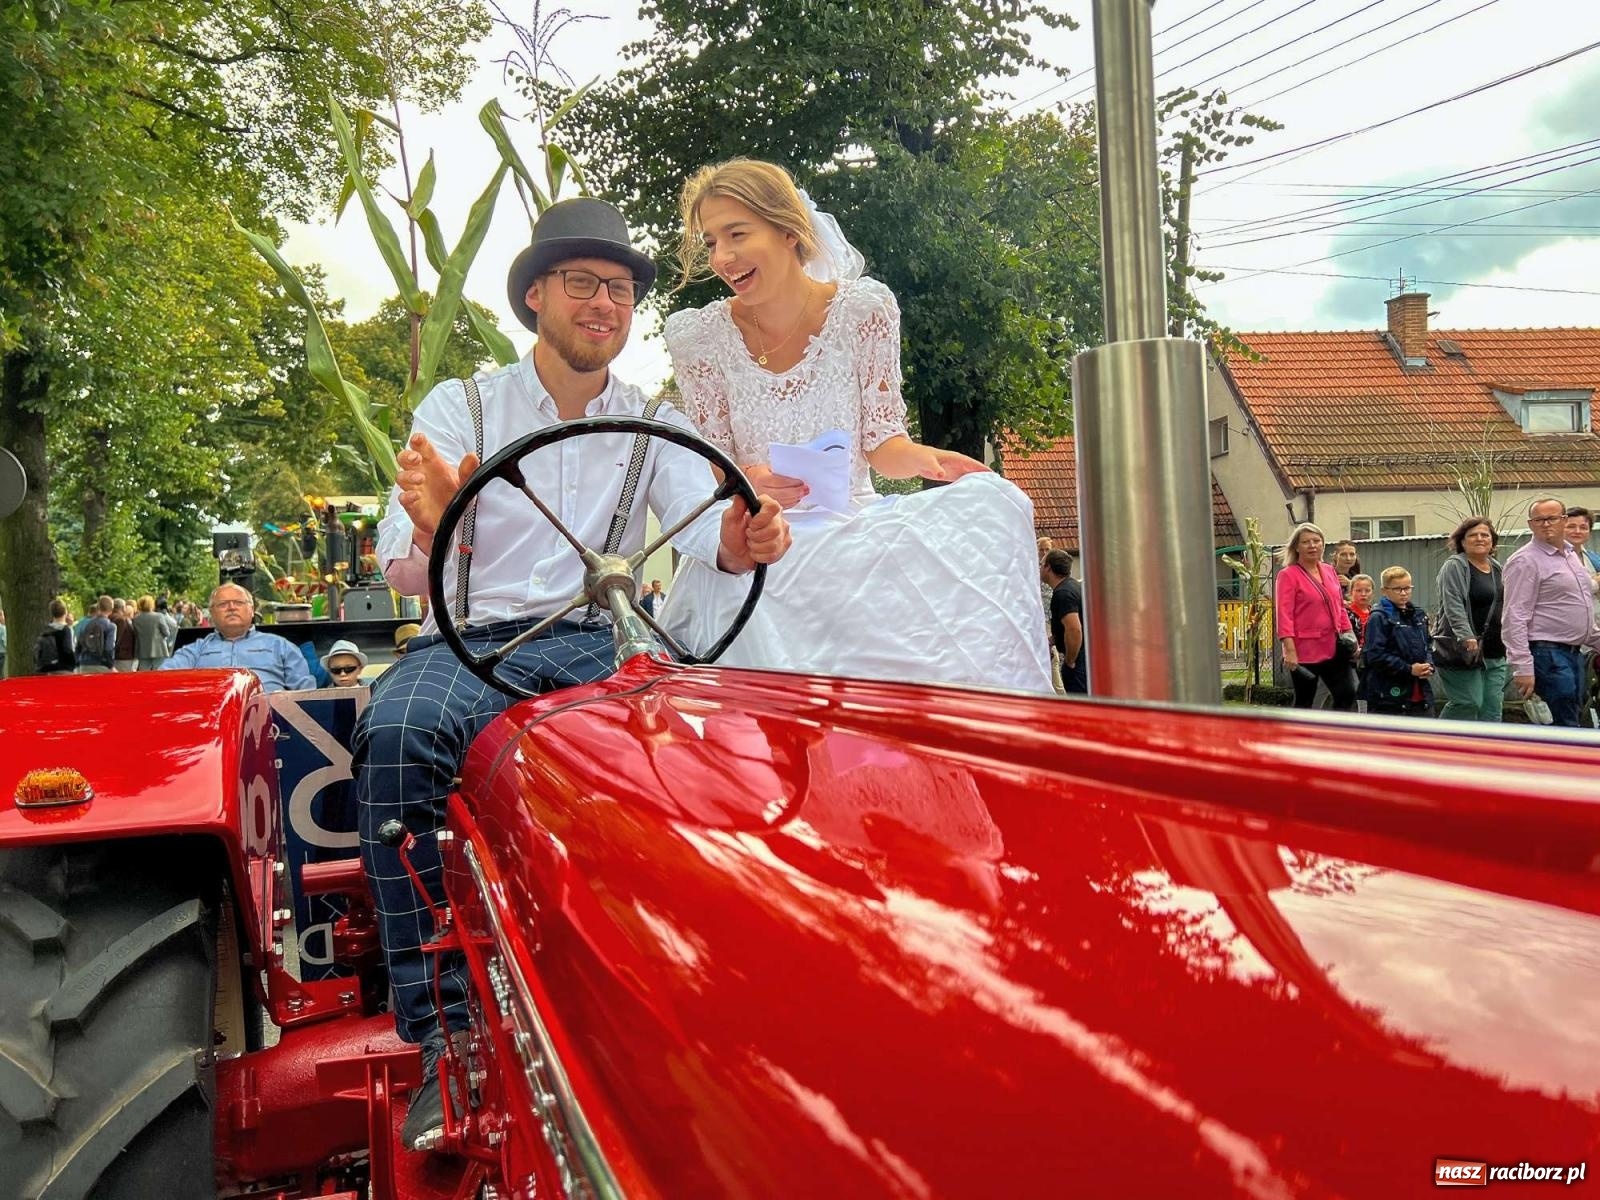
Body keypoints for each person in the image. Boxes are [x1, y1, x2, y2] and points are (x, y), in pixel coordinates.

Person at [353, 197, 791, 1153]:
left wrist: (742, 534)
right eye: (586, 285)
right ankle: (448, 1040)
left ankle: (690, 995)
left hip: (600, 639)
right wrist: (434, 528)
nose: (606, 305)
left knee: (691, 744)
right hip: (468, 643)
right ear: (538, 296)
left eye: (622, 290)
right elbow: (402, 569)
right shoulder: (462, 407)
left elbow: (706, 528)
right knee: (395, 736)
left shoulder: (649, 421)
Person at [656, 158, 1052, 693]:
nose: (722, 257)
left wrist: (930, 460)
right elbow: (715, 462)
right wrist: (749, 476)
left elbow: (884, 445)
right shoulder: (698, 335)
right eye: (710, 242)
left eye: (737, 234)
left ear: (789, 231)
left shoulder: (863, 309)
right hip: (767, 533)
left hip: (851, 524)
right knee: (768, 586)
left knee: (993, 504)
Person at [1503, 496, 1600, 727]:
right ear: (1530, 524)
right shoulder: (1525, 561)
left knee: (1574, 717)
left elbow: (1581, 606)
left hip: (1574, 652)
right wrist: (1522, 666)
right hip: (1547, 653)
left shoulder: (1571, 557)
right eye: (1540, 520)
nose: (1546, 524)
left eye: (1552, 518)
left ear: (1564, 520)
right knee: (1563, 723)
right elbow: (1514, 616)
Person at [160, 583, 315, 693]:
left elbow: (306, 694)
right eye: (223, 604)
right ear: (212, 613)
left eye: (239, 603)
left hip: (271, 727)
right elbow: (162, 678)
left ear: (252, 610)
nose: (232, 607)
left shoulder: (280, 646)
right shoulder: (195, 651)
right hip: (212, 726)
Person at [1433, 517, 1508, 723]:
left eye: (1485, 535)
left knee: (1492, 706)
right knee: (1468, 702)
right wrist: (1466, 635)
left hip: (1495, 647)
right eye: (1473, 535)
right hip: (1463, 649)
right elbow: (1452, 603)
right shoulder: (1455, 566)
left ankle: (1487, 752)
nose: (1480, 539)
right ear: (1462, 541)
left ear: (1492, 541)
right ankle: (1438, 743)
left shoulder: (1497, 568)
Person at [1275, 523, 1357, 710]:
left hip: (1334, 646)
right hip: (1305, 650)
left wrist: (1350, 635)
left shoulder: (1329, 570)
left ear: (1323, 544)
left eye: (1316, 541)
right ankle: (1298, 737)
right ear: (1296, 547)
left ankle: (1332, 734)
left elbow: (1339, 606)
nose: (1312, 546)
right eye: (1306, 542)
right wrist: (1289, 649)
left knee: (1348, 693)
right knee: (1305, 701)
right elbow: (1284, 614)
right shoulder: (1288, 575)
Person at [1362, 567, 1434, 717]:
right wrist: (1408, 669)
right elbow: (1374, 655)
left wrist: (1429, 665)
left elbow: (1428, 645)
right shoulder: (1379, 617)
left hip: (1421, 693)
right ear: (1384, 590)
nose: (1403, 593)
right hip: (1389, 695)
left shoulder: (1419, 615)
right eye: (1397, 589)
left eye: (1407, 588)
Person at [1041, 550, 1087, 694]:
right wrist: (1053, 639)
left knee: (1080, 706)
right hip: (1084, 659)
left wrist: (1070, 661)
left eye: (1041, 564)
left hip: (1078, 663)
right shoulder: (1073, 587)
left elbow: (1074, 629)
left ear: (1048, 567)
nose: (1040, 568)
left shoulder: (1063, 594)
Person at [132, 595, 177, 670]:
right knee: (159, 671)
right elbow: (166, 633)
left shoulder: (136, 619)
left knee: (144, 673)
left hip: (143, 650)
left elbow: (135, 634)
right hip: (159, 649)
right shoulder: (158, 616)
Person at [77, 596, 118, 674]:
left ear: (98, 608)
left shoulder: (86, 624)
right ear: (111, 610)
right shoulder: (111, 626)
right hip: (102, 665)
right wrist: (111, 666)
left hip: (85, 663)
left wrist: (78, 662)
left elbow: (79, 645)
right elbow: (109, 648)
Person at [34, 599, 76, 674]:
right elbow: (68, 649)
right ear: (65, 612)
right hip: (64, 668)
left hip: (48, 669)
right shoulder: (66, 629)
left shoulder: (46, 630)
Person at [110, 598, 137, 673]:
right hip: (122, 656)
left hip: (119, 656)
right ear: (123, 607)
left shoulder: (110, 617)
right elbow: (117, 639)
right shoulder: (120, 620)